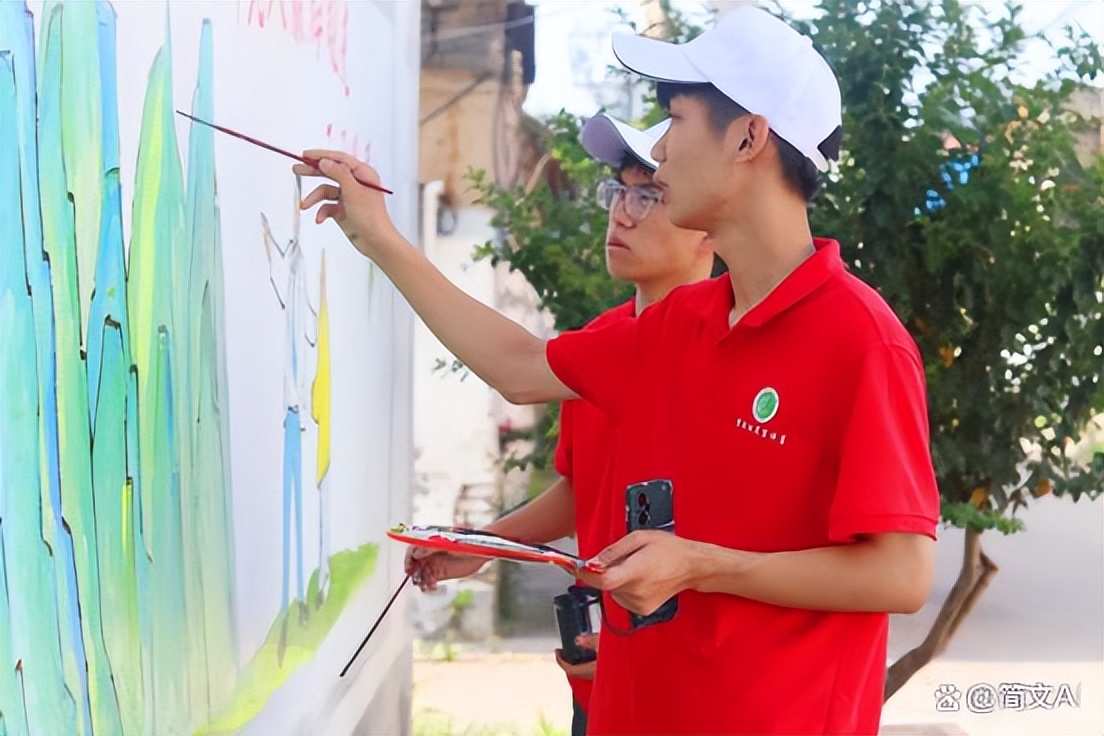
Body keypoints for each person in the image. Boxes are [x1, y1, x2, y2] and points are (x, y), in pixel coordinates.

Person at [296, 7, 939, 734]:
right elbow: (519, 366)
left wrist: (700, 564)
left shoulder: (859, 341)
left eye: (676, 120)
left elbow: (901, 573)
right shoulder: (677, 326)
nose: (659, 153)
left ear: (749, 136)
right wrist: (378, 238)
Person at [404, 112, 714, 736]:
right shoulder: (600, 342)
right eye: (617, 191)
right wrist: (481, 546)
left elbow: (516, 368)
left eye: (648, 195)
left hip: (688, 686)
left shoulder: (722, 350)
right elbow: (583, 489)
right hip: (600, 671)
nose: (621, 214)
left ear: (711, 216)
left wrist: (381, 236)